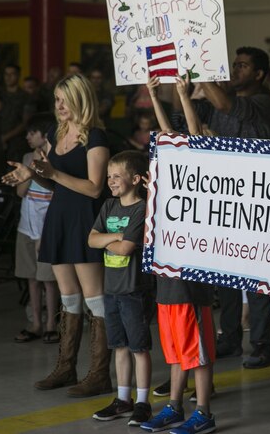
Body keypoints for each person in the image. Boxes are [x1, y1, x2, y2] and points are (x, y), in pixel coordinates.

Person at [2, 73, 111, 397]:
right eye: (56, 100)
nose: (59, 105)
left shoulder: (96, 137)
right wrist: (31, 173)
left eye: (64, 99)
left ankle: (99, 374)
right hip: (60, 215)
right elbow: (52, 180)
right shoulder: (56, 132)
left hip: (85, 218)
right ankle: (66, 367)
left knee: (95, 298)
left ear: (80, 99)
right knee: (68, 297)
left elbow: (94, 188)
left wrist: (52, 172)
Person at [175, 47, 270, 368]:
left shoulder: (263, 101)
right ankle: (230, 338)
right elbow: (183, 120)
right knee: (227, 277)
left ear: (259, 74)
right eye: (234, 65)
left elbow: (224, 104)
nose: (235, 70)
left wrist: (203, 68)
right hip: (226, 195)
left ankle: (262, 344)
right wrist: (182, 89)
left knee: (257, 277)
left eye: (243, 66)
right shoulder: (217, 100)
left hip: (259, 196)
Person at [142, 74, 217, 434]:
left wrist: (184, 97)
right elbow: (173, 135)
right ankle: (174, 404)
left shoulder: (203, 166)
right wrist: (155, 98)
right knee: (173, 347)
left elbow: (194, 135)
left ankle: (202, 410)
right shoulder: (170, 165)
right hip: (167, 271)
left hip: (191, 272)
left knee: (195, 347)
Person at [90, 150, 154, 426]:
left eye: (117, 176)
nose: (111, 181)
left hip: (134, 290)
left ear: (136, 179)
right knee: (119, 346)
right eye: (108, 176)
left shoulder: (143, 209)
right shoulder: (108, 206)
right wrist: (116, 235)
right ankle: (123, 399)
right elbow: (91, 240)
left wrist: (110, 239)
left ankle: (142, 402)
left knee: (139, 347)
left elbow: (127, 249)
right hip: (112, 288)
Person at [13, 113, 59, 344]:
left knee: (49, 279)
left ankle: (52, 323)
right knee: (31, 277)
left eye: (32, 133)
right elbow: (20, 192)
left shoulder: (56, 159)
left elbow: (58, 196)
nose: (28, 137)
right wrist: (29, 169)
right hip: (26, 225)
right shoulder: (27, 156)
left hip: (46, 228)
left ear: (45, 136)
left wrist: (42, 167)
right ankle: (36, 323)